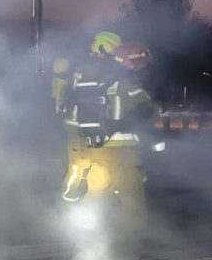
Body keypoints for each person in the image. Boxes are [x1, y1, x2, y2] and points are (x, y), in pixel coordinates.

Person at [60, 38, 157, 239]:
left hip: (95, 149)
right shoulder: (128, 84)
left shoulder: (90, 81)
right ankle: (127, 247)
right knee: (133, 201)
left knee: (97, 195)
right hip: (121, 152)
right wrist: (158, 104)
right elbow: (151, 109)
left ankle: (87, 242)